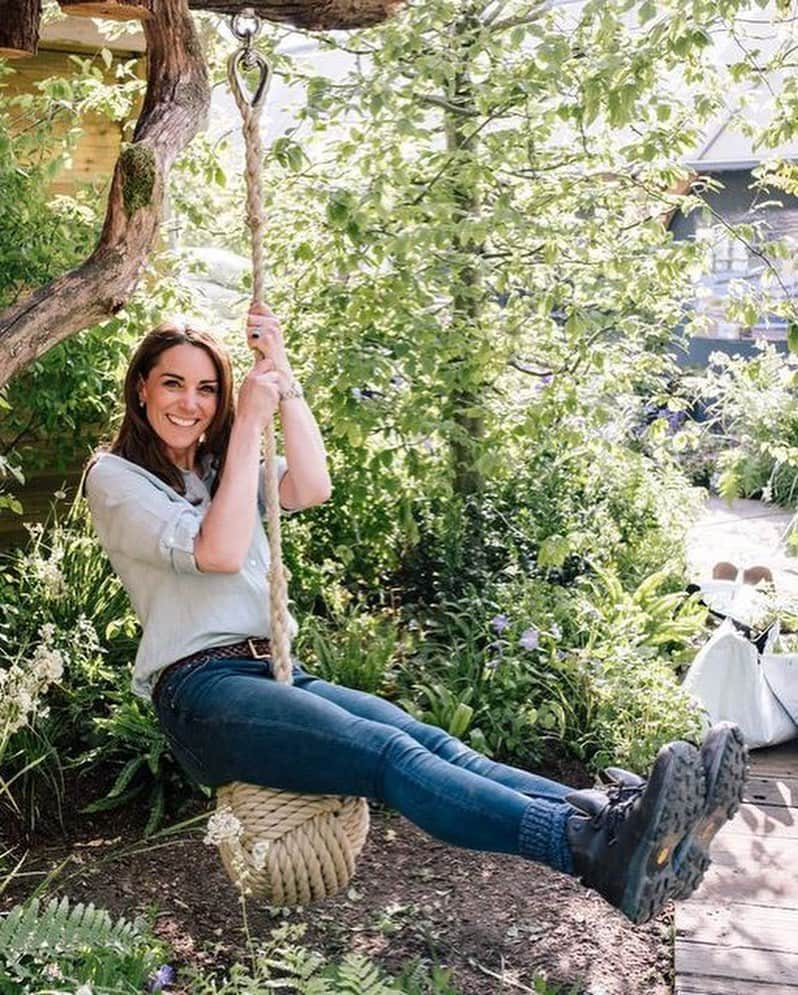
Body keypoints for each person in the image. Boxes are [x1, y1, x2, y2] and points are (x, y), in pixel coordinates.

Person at [84, 304, 748, 926]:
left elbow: (311, 486)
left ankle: (613, 816)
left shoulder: (214, 466)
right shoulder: (114, 477)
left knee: (434, 741)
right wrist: (249, 426)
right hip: (202, 691)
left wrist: (282, 379)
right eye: (173, 384)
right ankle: (587, 847)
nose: (191, 403)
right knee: (388, 755)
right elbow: (221, 551)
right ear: (141, 387)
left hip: (271, 670)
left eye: (206, 389)